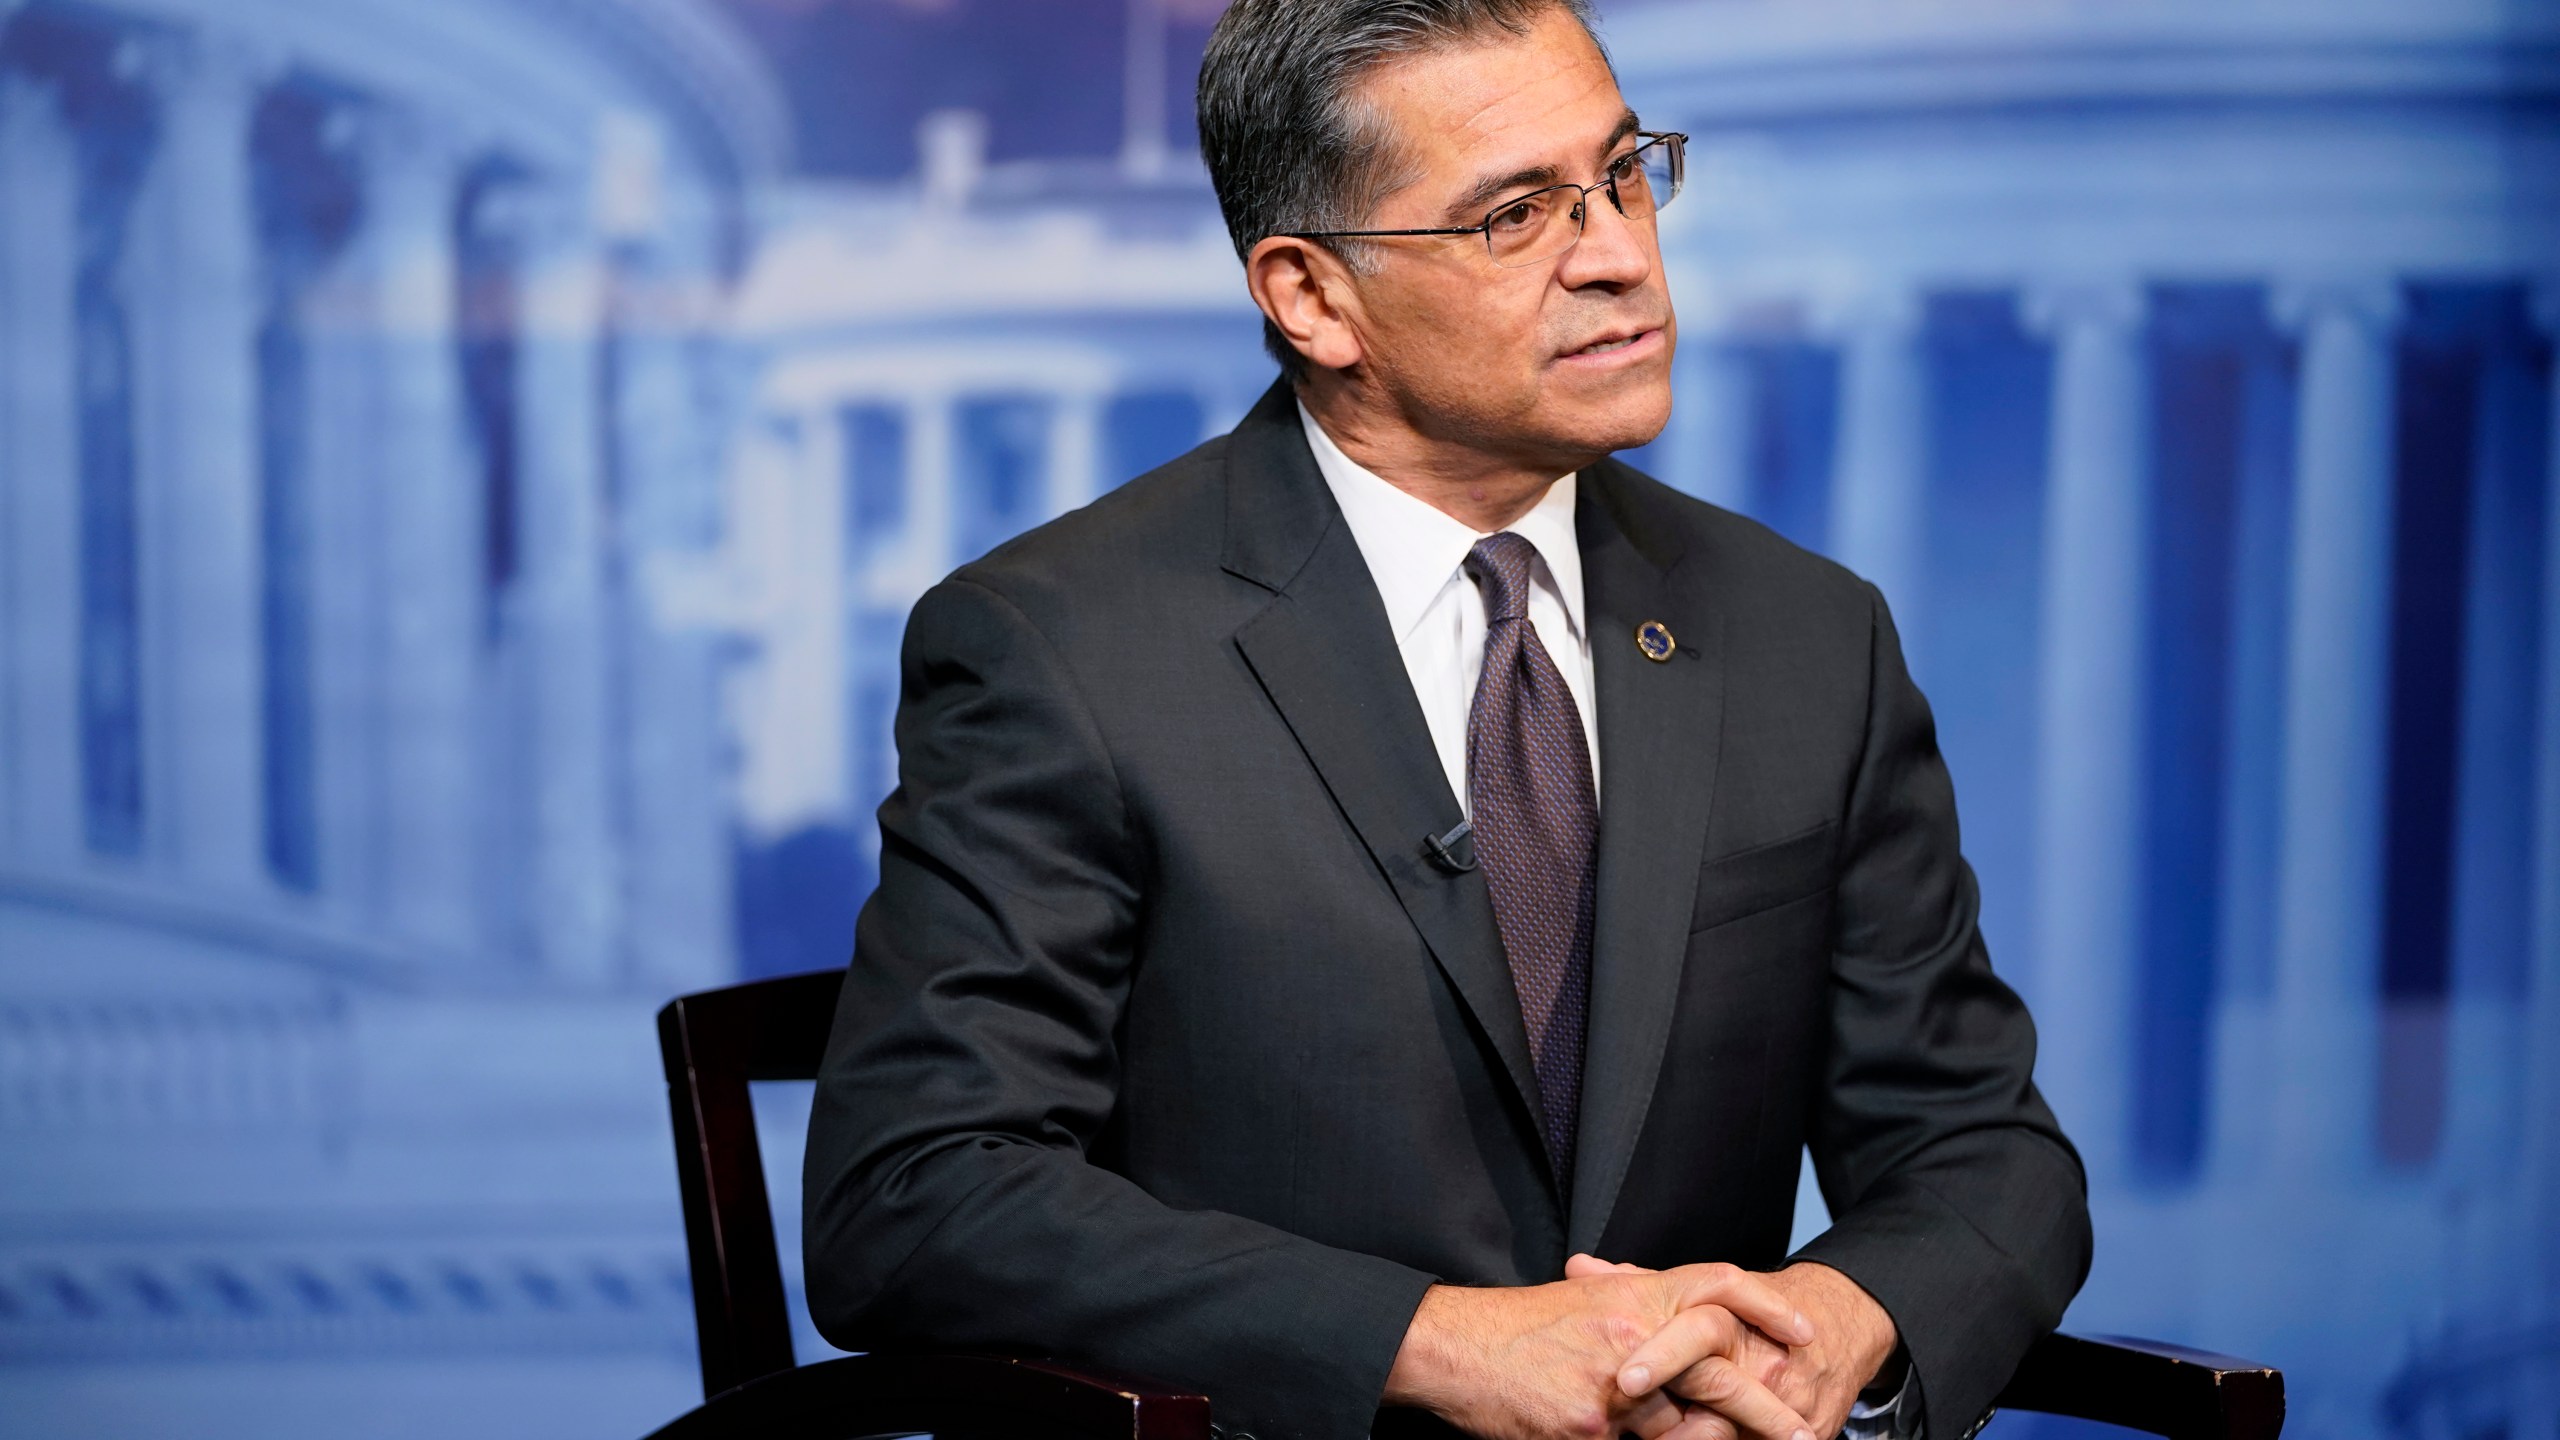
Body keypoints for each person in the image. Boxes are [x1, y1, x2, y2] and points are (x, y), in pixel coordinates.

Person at [801, 3, 2090, 1439]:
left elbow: (1982, 1150)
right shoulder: (1063, 647)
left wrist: (1838, 1327)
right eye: (1513, 215)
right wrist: (1433, 1343)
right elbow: (918, 1195)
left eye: (1619, 174)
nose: (1615, 254)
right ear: (1311, 297)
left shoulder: (1807, 637)